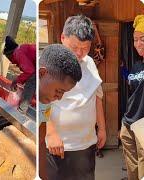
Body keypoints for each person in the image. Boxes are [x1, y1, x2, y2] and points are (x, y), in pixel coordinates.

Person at [46, 15, 106, 180]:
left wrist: (101, 128)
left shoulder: (90, 63)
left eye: (85, 47)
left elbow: (97, 97)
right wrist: (50, 133)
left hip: (86, 144)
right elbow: (40, 101)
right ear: (62, 38)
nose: (79, 53)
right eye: (75, 47)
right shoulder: (49, 64)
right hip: (59, 145)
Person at [38, 44, 82, 179]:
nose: (59, 97)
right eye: (58, 91)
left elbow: (41, 139)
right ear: (42, 73)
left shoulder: (45, 102)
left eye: (64, 93)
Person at [120, 14, 144, 180]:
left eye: (142, 38)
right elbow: (132, 88)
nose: (138, 44)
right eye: (135, 39)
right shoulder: (137, 65)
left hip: (142, 124)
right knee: (132, 168)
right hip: (128, 123)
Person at [3, 36, 35, 113]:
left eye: (8, 57)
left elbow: (30, 71)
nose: (9, 60)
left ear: (10, 54)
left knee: (31, 82)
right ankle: (32, 101)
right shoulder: (21, 49)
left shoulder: (17, 53)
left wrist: (16, 80)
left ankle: (21, 109)